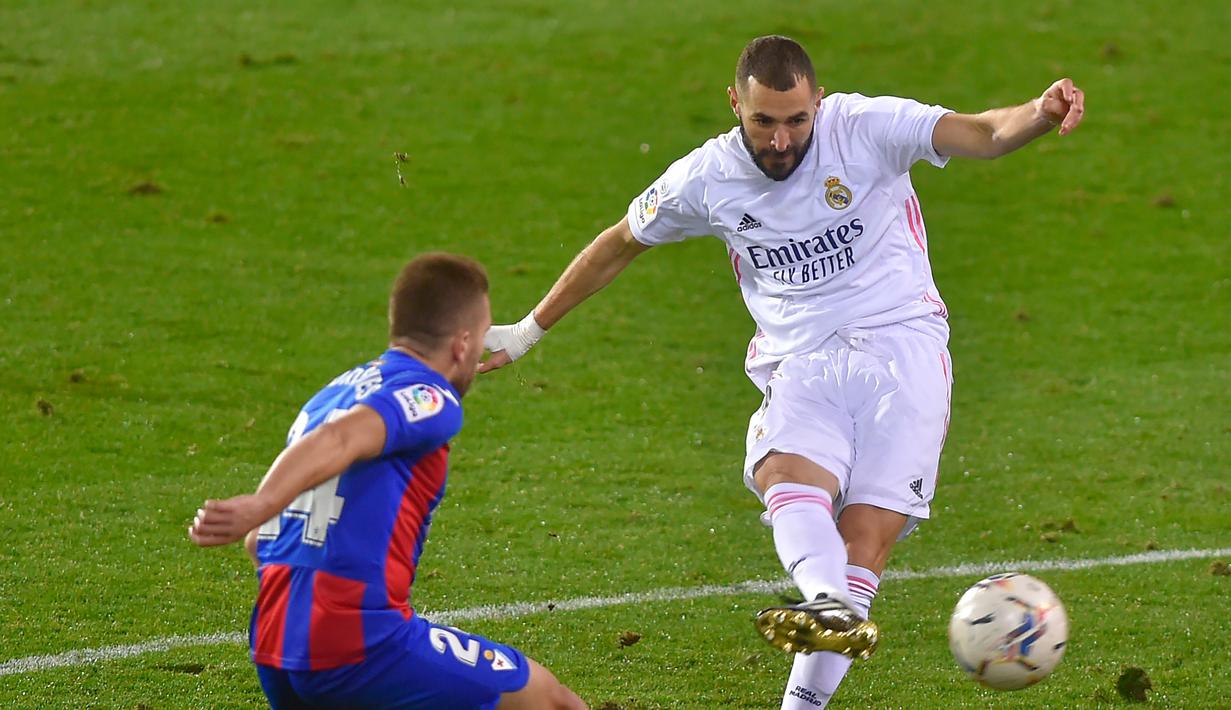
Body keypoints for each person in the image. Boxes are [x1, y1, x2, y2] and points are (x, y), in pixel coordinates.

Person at [479, 35, 1084, 709]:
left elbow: (982, 133)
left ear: (817, 101)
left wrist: (1038, 112)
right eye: (763, 121)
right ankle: (826, 599)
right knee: (783, 475)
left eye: (796, 120)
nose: (780, 139)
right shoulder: (706, 176)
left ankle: (819, 641)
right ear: (734, 104)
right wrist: (528, 331)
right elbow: (620, 242)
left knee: (864, 541)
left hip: (904, 350)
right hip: (801, 360)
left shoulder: (864, 127)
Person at [188, 253, 585, 710]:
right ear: (461, 345)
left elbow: (259, 542)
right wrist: (260, 504)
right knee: (554, 702)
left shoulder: (331, 395)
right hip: (357, 644)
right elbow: (341, 439)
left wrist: (269, 516)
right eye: (480, 338)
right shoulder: (430, 396)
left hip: (274, 644)